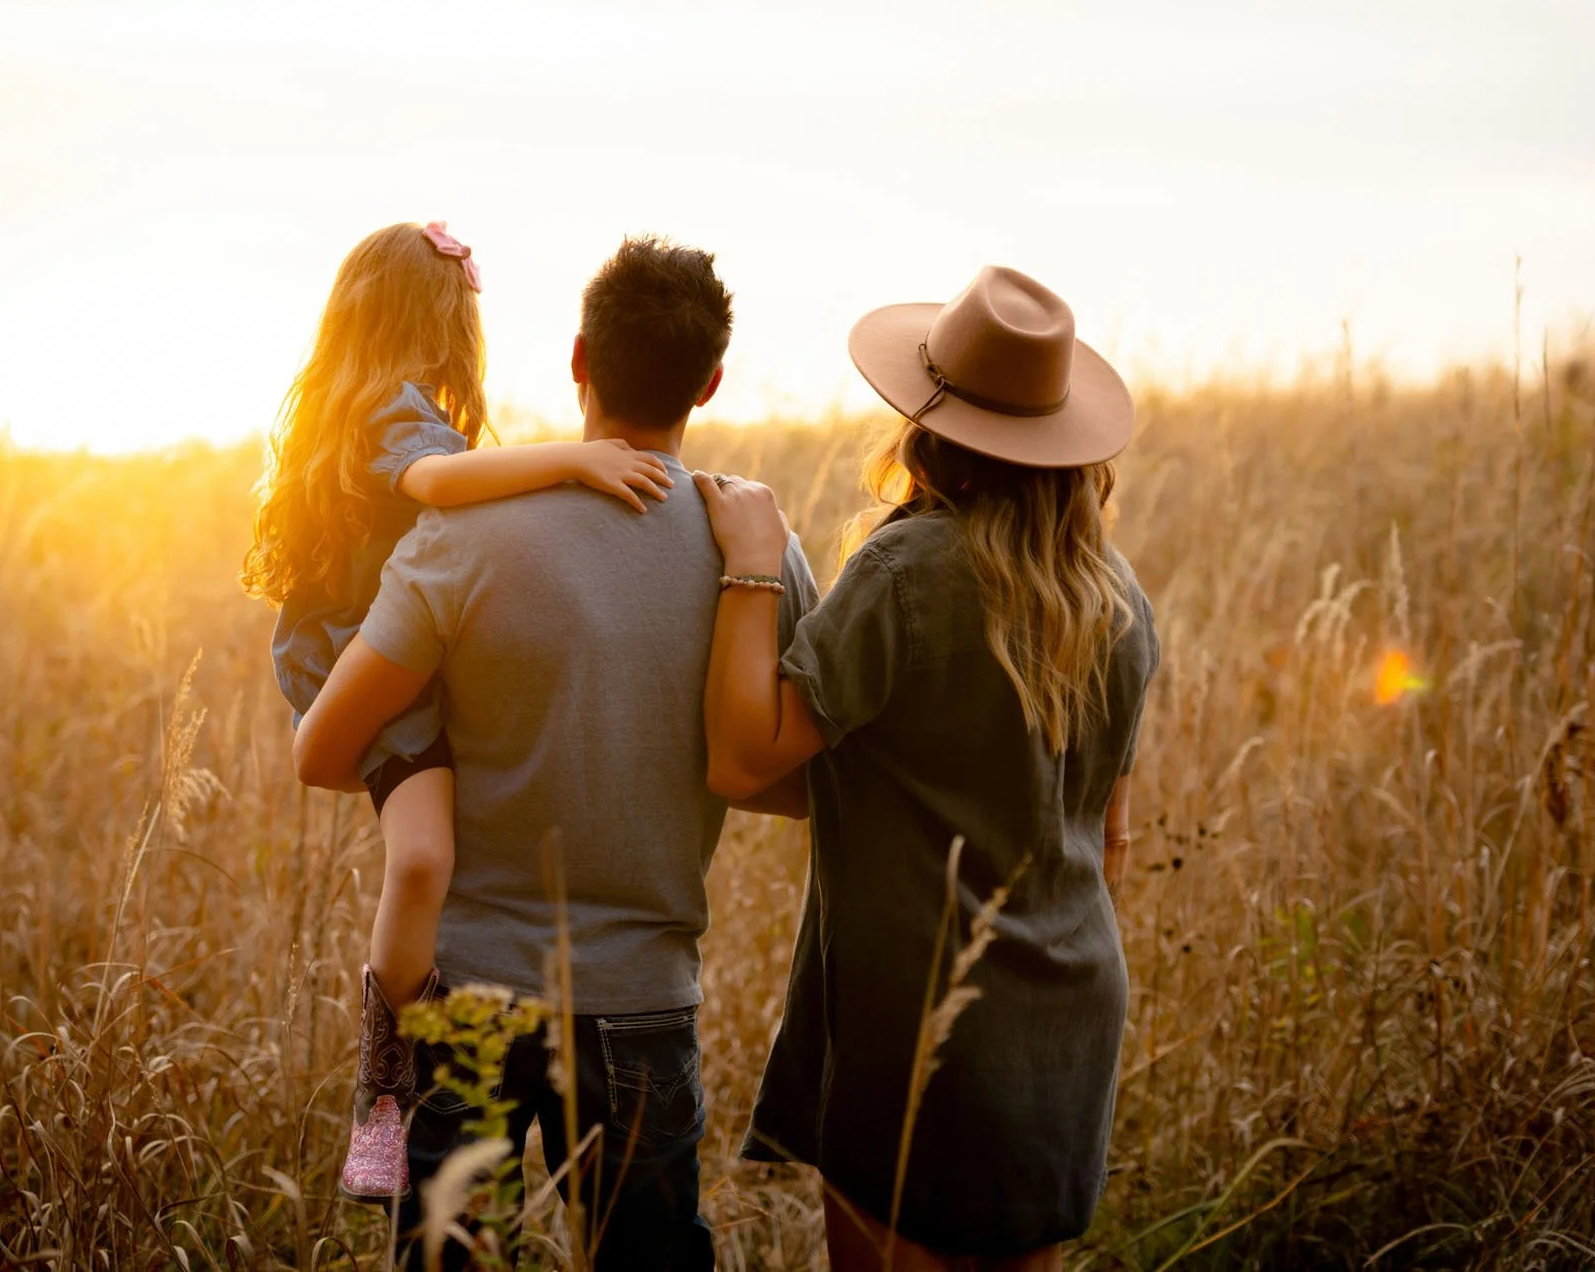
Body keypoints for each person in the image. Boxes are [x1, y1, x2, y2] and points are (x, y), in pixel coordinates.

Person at [292, 235, 819, 1270]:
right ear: (710, 382)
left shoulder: (461, 536)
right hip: (643, 1004)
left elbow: (323, 751)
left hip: (469, 998)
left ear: (577, 358)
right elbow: (794, 776)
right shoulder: (757, 550)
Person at [696, 264, 1160, 1272]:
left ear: (926, 425)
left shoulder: (908, 572)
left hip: (917, 1023)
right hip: (1068, 1019)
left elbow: (739, 761)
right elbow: (1106, 838)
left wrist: (749, 560)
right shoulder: (1117, 598)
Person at [242, 220, 677, 1201]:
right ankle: (384, 1091)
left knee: (435, 848)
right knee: (423, 856)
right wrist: (573, 459)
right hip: (366, 663)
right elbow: (439, 483)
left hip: (387, 660)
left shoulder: (375, 402)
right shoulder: (395, 412)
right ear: (431, 317)